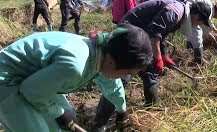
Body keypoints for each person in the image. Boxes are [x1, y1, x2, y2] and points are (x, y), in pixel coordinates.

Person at [0, 23, 153, 132]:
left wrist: (122, 110)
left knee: (67, 118)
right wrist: (59, 114)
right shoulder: (75, 65)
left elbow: (113, 85)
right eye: (128, 72)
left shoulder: (101, 53)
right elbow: (31, 92)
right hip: (8, 80)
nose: (126, 76)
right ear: (112, 61)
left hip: (35, 79)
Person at [93, 0, 214, 130]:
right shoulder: (175, 12)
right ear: (197, 15)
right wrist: (158, 58)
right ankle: (100, 123)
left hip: (142, 35)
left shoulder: (180, 15)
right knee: (122, 77)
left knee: (150, 72)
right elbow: (155, 34)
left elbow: (162, 35)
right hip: (129, 35)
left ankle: (152, 106)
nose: (198, 25)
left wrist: (165, 56)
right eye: (201, 22)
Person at [182, 0, 217, 64]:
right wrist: (212, 33)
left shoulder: (208, 5)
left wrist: (209, 34)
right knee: (197, 33)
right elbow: (207, 24)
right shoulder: (210, 9)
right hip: (188, 8)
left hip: (186, 7)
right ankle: (199, 60)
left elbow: (204, 25)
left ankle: (190, 50)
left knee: (193, 32)